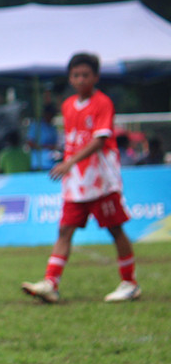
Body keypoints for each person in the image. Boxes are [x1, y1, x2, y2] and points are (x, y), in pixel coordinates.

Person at [22, 52, 140, 304]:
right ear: (70, 78)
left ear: (95, 77)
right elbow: (74, 140)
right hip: (76, 183)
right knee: (65, 229)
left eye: (85, 74)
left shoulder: (102, 103)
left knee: (115, 228)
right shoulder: (67, 106)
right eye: (76, 75)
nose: (80, 79)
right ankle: (50, 283)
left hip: (101, 180)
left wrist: (70, 162)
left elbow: (99, 140)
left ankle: (130, 283)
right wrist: (69, 163)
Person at [26, 103, 59, 171]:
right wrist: (44, 147)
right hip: (37, 163)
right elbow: (30, 142)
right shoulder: (36, 125)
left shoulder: (52, 128)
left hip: (51, 163)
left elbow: (55, 144)